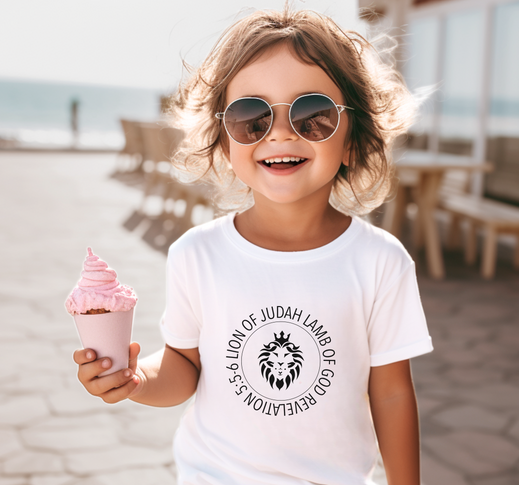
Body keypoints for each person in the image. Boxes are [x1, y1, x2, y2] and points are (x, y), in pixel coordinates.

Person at [73, 6, 433, 485]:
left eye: (313, 115)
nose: (280, 132)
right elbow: (184, 364)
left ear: (352, 139)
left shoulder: (381, 262)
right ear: (225, 142)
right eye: (250, 117)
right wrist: (137, 380)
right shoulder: (195, 254)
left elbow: (390, 394)